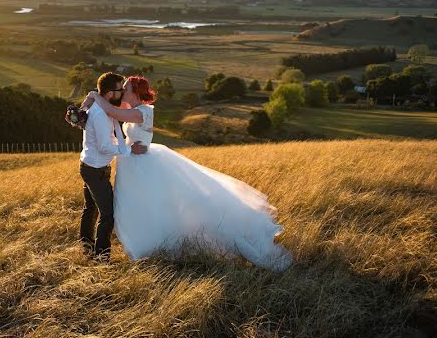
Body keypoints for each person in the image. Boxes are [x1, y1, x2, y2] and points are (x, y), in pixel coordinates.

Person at [82, 75, 292, 271]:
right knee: (138, 207)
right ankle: (143, 245)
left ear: (135, 91)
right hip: (131, 165)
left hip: (142, 164)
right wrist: (86, 107)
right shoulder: (130, 108)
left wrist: (93, 97)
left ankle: (159, 244)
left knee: (158, 206)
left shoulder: (144, 112)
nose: (122, 92)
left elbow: (111, 110)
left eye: (125, 88)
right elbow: (111, 109)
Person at [78, 72, 148, 261]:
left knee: (90, 207)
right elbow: (104, 146)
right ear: (110, 93)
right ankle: (102, 257)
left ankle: (85, 245)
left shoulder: (106, 109)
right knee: (108, 214)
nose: (122, 92)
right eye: (120, 90)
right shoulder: (100, 115)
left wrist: (93, 97)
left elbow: (115, 128)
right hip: (94, 170)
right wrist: (129, 149)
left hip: (94, 166)